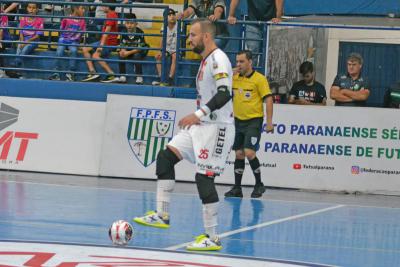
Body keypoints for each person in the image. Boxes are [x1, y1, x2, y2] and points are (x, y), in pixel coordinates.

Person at [134, 18, 235, 251]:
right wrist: (198, 118)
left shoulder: (219, 59)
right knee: (165, 157)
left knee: (203, 178)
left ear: (206, 37)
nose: (189, 39)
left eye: (193, 35)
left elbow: (224, 95)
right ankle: (162, 214)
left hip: (217, 127)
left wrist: (198, 114)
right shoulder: (206, 60)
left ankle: (212, 237)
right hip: (201, 126)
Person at [224, 50, 273, 199]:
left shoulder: (259, 79)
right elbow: (218, 81)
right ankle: (237, 188)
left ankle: (259, 184)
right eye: (237, 61)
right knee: (238, 154)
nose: (238, 64)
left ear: (250, 62)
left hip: (254, 121)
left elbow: (269, 99)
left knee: (249, 152)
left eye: (242, 62)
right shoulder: (234, 78)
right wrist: (229, 72)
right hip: (238, 121)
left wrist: (269, 122)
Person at [227, 0, 283, 65]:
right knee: (252, 53)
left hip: (271, 23)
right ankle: (251, 74)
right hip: (253, 23)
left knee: (272, 54)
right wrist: (231, 15)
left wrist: (278, 17)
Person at [81, 0, 119, 83]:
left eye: (103, 6)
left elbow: (106, 33)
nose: (102, 7)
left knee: (95, 55)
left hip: (108, 43)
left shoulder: (111, 15)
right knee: (85, 49)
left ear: (107, 6)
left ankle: (112, 74)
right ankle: (93, 73)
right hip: (105, 41)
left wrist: (100, 46)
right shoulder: (111, 14)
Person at [49, 5, 86, 82]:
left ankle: (70, 73)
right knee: (59, 51)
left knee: (74, 50)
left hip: (74, 41)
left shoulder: (82, 21)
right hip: (64, 39)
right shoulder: (66, 19)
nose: (84, 11)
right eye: (82, 8)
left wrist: (78, 41)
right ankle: (56, 73)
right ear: (76, 9)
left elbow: (81, 34)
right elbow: (61, 30)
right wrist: (65, 38)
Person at [117, 13, 148, 84]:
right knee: (120, 54)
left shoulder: (140, 32)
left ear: (136, 23)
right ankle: (122, 75)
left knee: (136, 55)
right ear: (125, 24)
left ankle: (139, 76)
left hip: (139, 51)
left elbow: (140, 48)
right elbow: (122, 45)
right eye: (127, 23)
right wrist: (123, 51)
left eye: (131, 23)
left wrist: (128, 53)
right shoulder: (123, 32)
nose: (129, 25)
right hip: (128, 50)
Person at [15, 3, 44, 72]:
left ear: (37, 9)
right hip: (23, 39)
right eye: (30, 7)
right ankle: (18, 69)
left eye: (34, 8)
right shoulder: (23, 18)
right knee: (18, 50)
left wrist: (26, 42)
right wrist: (22, 41)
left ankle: (15, 66)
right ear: (27, 8)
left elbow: (37, 35)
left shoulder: (40, 20)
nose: (31, 9)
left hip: (33, 41)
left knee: (24, 50)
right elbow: (21, 32)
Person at [152, 8, 177, 86]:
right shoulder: (164, 26)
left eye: (173, 15)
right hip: (167, 49)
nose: (172, 16)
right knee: (158, 57)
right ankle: (161, 77)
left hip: (176, 49)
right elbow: (162, 39)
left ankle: (170, 78)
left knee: (174, 56)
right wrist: (160, 51)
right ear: (165, 18)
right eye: (169, 15)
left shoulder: (179, 25)